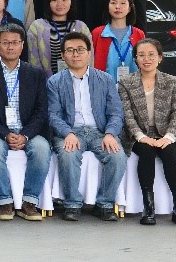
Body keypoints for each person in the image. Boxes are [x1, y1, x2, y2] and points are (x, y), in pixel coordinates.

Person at [46, 32, 127, 221]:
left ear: (89, 53)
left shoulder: (105, 79)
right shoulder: (54, 82)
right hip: (70, 132)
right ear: (63, 55)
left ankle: (105, 204)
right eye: (70, 50)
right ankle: (72, 204)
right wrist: (67, 133)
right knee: (68, 154)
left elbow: (116, 112)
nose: (75, 54)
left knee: (117, 156)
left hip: (100, 132)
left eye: (80, 49)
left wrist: (110, 133)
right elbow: (53, 115)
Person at [0, 23, 51, 222]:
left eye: (15, 42)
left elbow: (41, 111)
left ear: (22, 45)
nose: (10, 47)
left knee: (42, 149)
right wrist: (4, 134)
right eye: (5, 42)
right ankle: (4, 201)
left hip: (28, 131)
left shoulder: (35, 74)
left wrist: (26, 135)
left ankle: (29, 201)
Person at [119, 39, 176, 225]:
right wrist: (141, 137)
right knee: (146, 152)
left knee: (169, 152)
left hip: (165, 133)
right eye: (141, 55)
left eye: (151, 55)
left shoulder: (171, 81)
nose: (147, 59)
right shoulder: (126, 83)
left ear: (160, 57)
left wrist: (169, 137)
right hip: (137, 135)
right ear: (135, 59)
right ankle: (148, 207)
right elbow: (127, 116)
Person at [26, 0, 91, 74]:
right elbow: (34, 61)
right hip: (46, 81)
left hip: (78, 80)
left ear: (71, 1)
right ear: (48, 3)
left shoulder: (81, 27)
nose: (60, 4)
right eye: (54, 0)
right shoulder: (37, 27)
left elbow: (89, 60)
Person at [91, 0, 145, 81]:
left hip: (134, 86)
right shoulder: (97, 33)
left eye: (123, 3)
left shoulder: (139, 34)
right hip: (104, 85)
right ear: (108, 7)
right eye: (113, 3)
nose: (117, 7)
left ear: (130, 8)